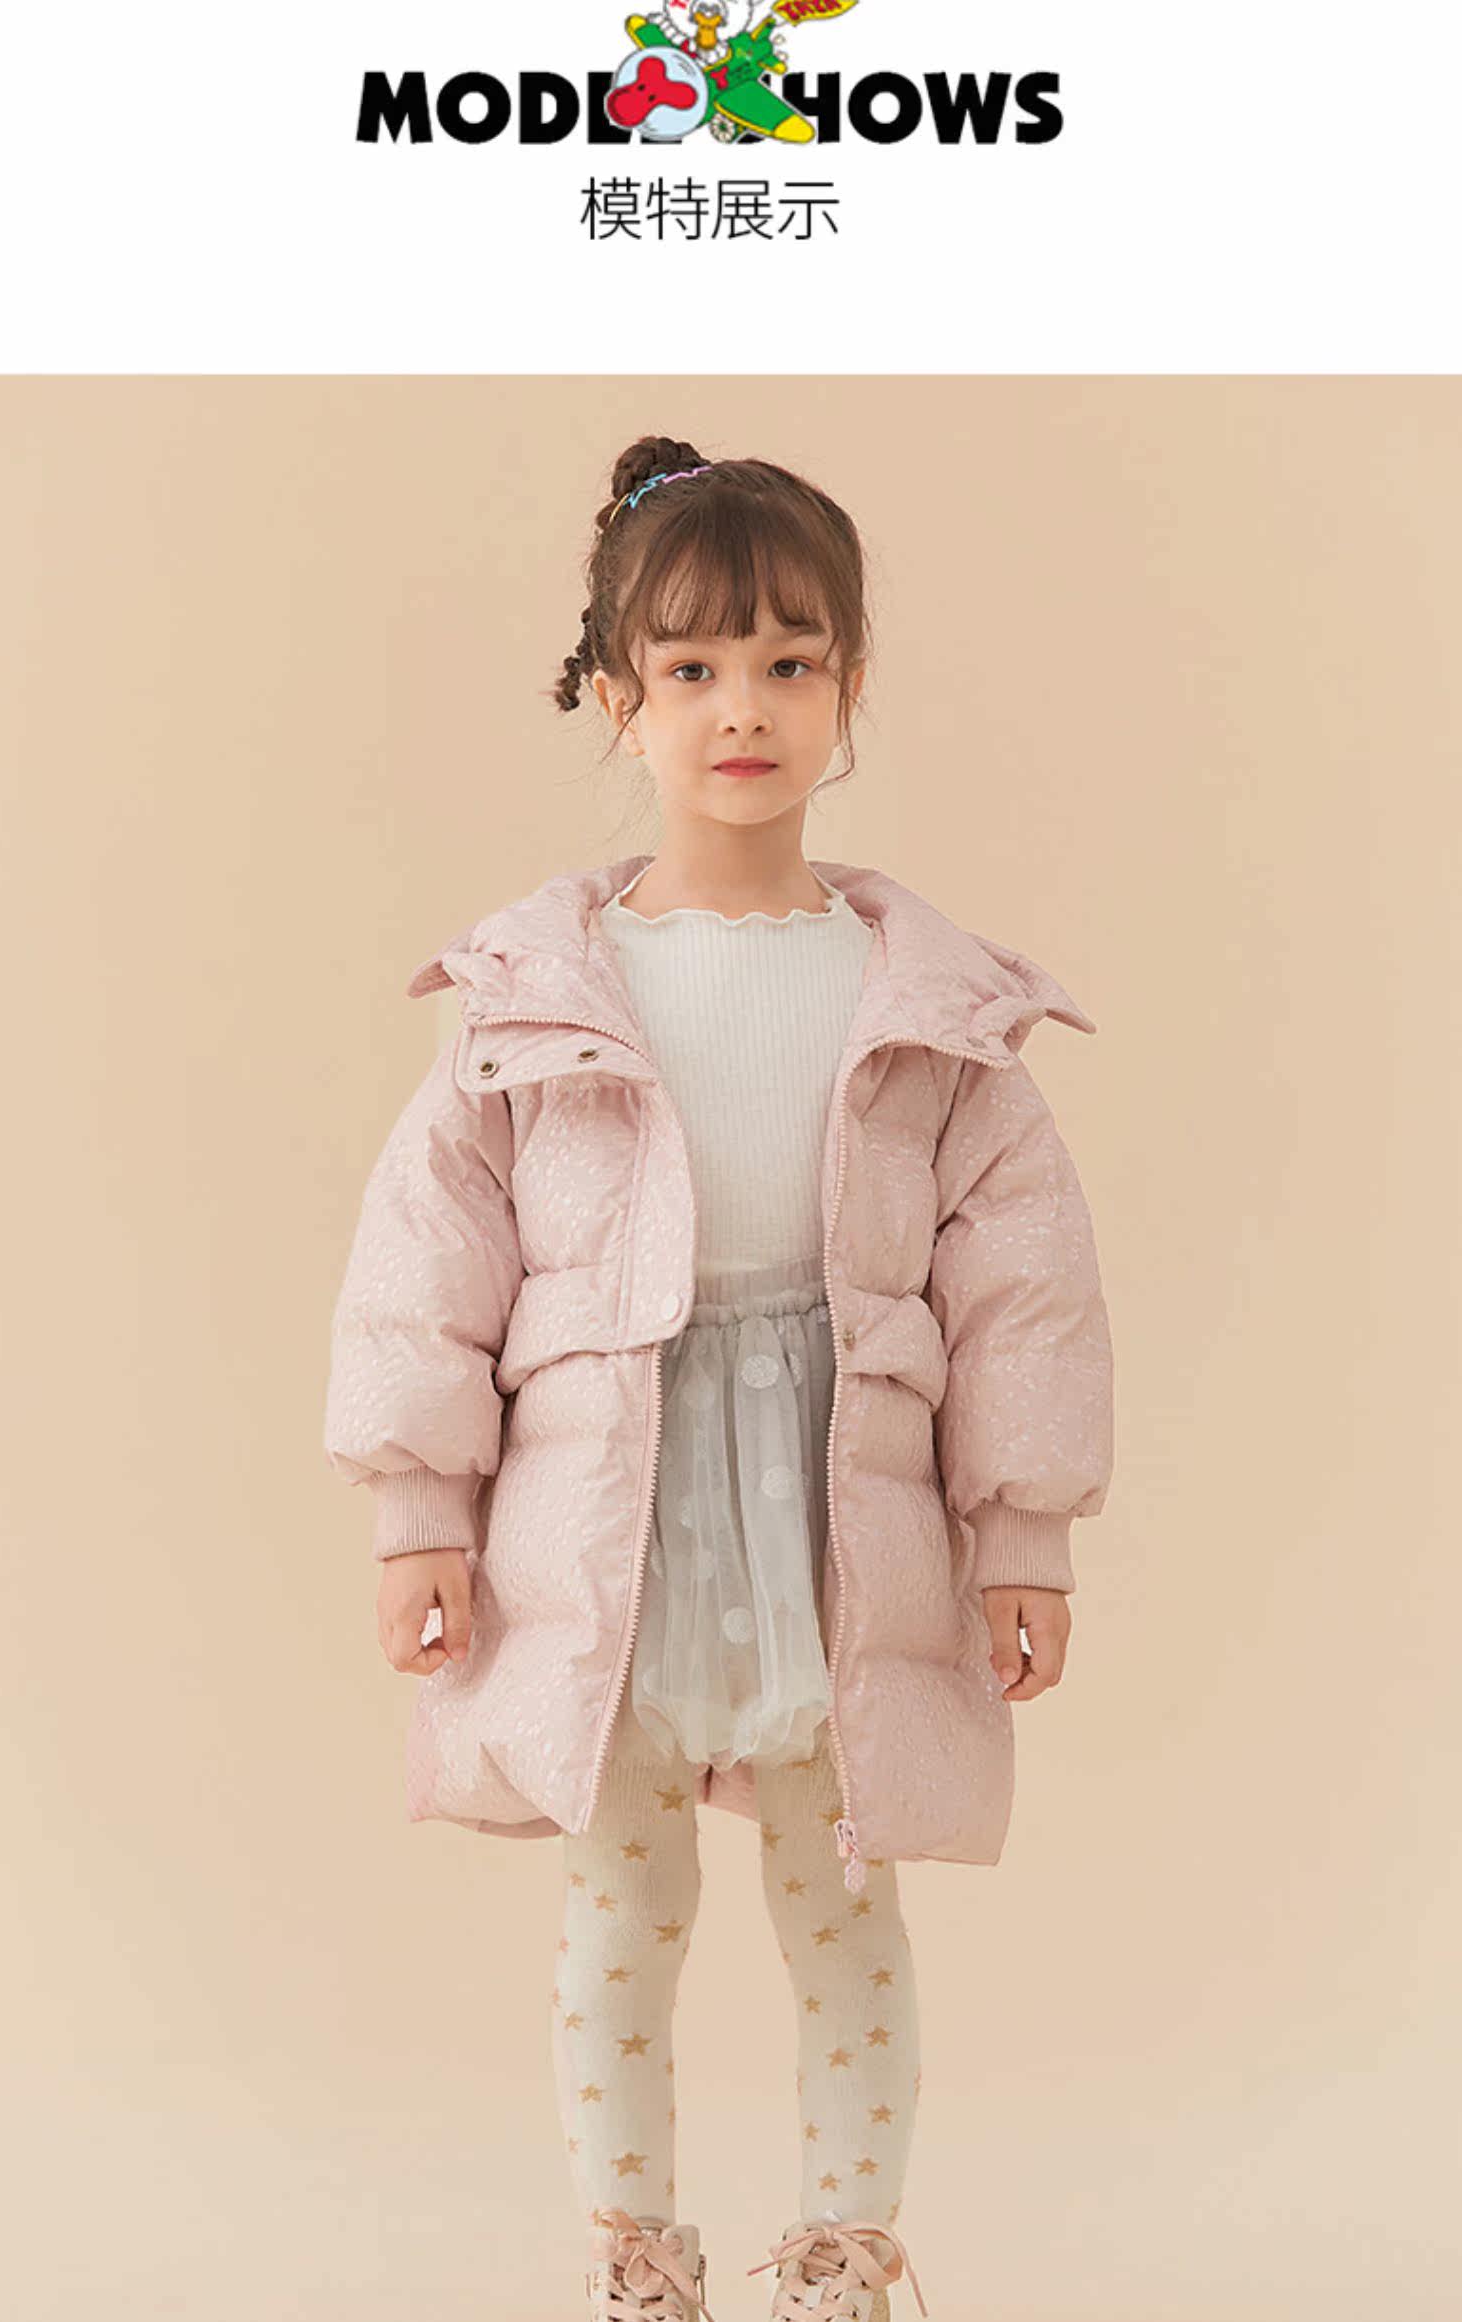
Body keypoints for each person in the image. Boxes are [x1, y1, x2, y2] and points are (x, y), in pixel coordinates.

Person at [322, 437, 1115, 2322]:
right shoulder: (539, 993)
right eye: (689, 667)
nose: (740, 707)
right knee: (625, 1905)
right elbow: (432, 1261)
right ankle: (634, 2258)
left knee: (844, 1899)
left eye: (787, 661)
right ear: (620, 697)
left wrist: (1023, 1534)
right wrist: (420, 1507)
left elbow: (1021, 1284)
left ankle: (842, 2255)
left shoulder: (925, 1001)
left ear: (849, 686)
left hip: (841, 1506)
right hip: (613, 1505)